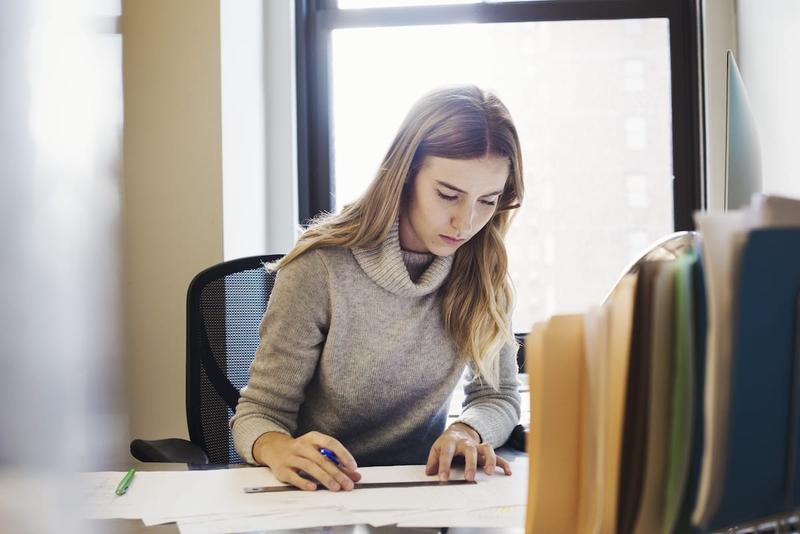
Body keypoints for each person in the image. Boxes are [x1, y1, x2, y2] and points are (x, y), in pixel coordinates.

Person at [231, 84, 524, 492]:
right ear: (406, 176)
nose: (466, 222)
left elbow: (499, 396)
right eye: (448, 195)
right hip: (319, 491)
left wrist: (467, 430)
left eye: (487, 201)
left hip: (422, 490)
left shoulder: (484, 272)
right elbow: (258, 413)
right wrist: (277, 447)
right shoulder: (319, 267)